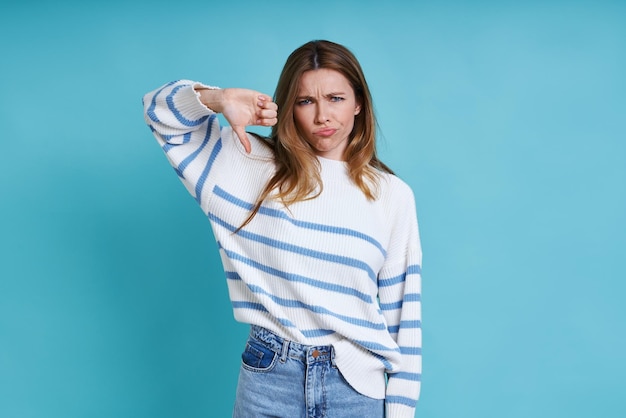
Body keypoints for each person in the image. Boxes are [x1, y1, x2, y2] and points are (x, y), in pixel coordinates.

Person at [142, 40, 422, 418]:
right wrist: (218, 99)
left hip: (356, 387)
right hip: (270, 376)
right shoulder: (247, 165)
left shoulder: (391, 195)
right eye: (306, 101)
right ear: (289, 108)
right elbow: (160, 113)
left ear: (359, 103)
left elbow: (403, 317)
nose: (323, 115)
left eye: (336, 98)